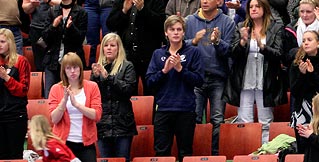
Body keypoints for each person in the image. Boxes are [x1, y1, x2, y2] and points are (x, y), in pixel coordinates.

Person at [227, 0, 286, 143]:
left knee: (265, 120)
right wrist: (242, 42)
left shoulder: (275, 27)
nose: (253, 9)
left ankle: (265, 152)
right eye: (251, 7)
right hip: (245, 78)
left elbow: (279, 54)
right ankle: (248, 151)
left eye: (257, 6)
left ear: (264, 9)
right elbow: (232, 54)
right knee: (244, 119)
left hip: (266, 79)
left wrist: (262, 47)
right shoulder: (242, 26)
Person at [184, 0, 235, 156]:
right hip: (195, 77)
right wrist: (194, 41)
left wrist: (217, 42)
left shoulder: (227, 22)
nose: (205, 1)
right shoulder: (189, 20)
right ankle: (195, 155)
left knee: (217, 119)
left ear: (217, 1)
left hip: (218, 77)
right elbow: (179, 46)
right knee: (194, 118)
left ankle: (215, 155)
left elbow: (231, 51)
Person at [146, 15, 203, 158]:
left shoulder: (193, 52)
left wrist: (180, 69)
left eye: (179, 29)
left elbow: (199, 81)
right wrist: (164, 71)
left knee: (186, 153)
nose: (176, 32)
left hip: (186, 110)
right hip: (164, 109)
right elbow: (149, 82)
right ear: (166, 32)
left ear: (184, 32)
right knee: (162, 152)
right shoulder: (158, 54)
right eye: (172, 29)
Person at [106, 0, 166, 94]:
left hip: (148, 56)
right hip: (126, 55)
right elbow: (110, 24)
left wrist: (143, 9)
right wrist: (124, 11)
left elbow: (160, 26)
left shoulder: (155, 0)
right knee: (126, 93)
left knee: (150, 92)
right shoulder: (122, 0)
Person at [90, 33, 137, 161]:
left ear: (118, 48)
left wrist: (109, 78)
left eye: (112, 45)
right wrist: (95, 78)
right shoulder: (98, 69)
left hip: (122, 124)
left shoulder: (127, 66)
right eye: (106, 45)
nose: (109, 48)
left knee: (122, 159)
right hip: (103, 124)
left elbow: (129, 90)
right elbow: (93, 95)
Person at [48, 52, 102, 162]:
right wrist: (64, 101)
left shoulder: (92, 87)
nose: (72, 71)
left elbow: (97, 115)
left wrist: (77, 105)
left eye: (75, 67)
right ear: (64, 70)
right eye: (68, 68)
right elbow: (54, 119)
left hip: (86, 144)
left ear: (80, 68)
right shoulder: (55, 89)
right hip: (63, 143)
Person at [43, 0, 87, 98]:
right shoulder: (52, 11)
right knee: (50, 95)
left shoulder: (81, 12)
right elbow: (45, 37)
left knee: (74, 95)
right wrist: (53, 26)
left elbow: (80, 39)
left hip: (72, 60)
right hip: (53, 60)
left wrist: (71, 28)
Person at [0, 27, 31, 159]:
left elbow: (23, 90)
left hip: (15, 116)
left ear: (10, 43)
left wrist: (6, 78)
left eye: (2, 42)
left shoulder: (21, 61)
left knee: (15, 156)